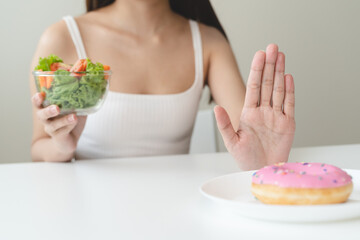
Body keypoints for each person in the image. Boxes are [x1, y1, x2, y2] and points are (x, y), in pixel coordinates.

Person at [30, 0, 295, 170]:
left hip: (178, 212)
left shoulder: (210, 43)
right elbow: (38, 148)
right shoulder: (62, 37)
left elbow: (250, 140)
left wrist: (266, 162)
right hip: (86, 213)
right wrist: (62, 146)